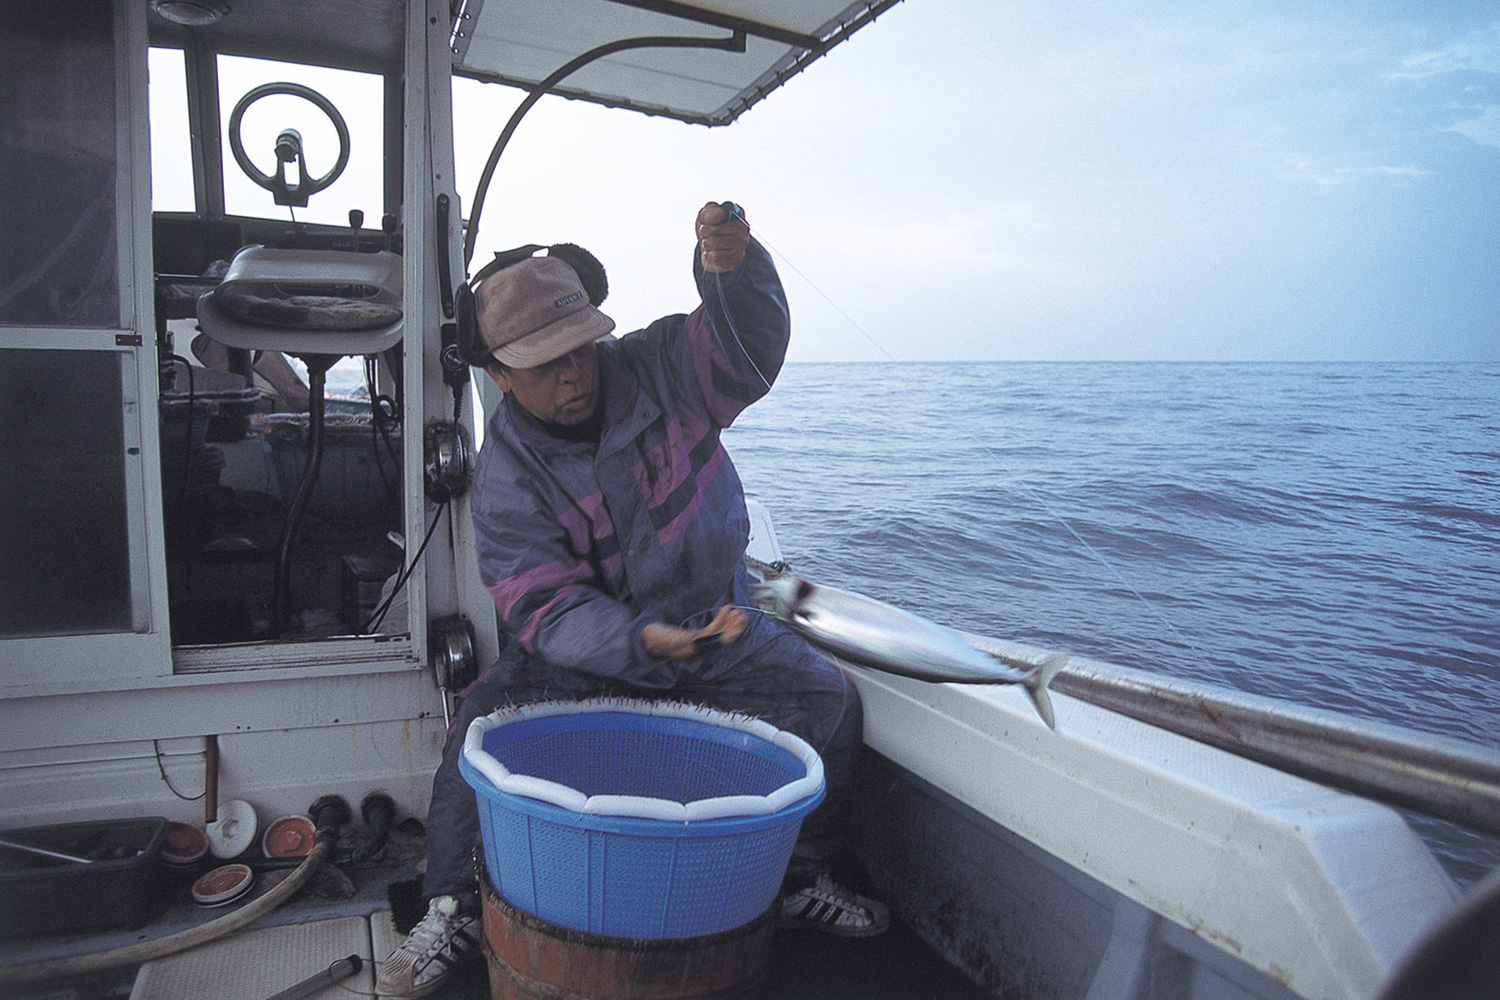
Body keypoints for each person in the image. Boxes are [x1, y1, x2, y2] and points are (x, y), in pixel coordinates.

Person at [374, 203, 888, 998]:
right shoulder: (506, 476)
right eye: (544, 363)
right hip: (587, 652)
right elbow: (544, 607)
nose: (573, 373)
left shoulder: (660, 365)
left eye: (580, 347)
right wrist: (643, 641)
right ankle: (449, 909)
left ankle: (797, 880)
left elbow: (747, 355)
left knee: (827, 701)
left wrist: (734, 275)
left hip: (714, 622)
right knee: (475, 730)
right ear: (499, 374)